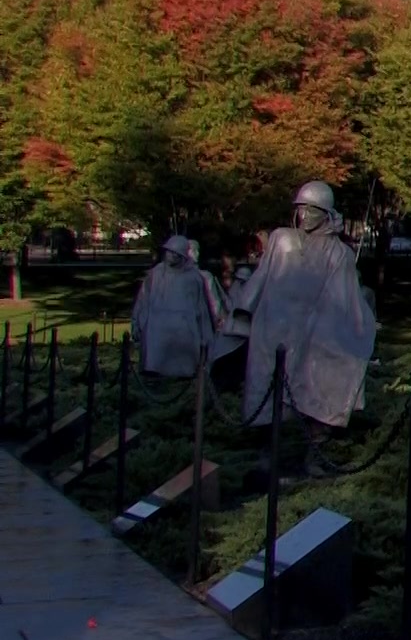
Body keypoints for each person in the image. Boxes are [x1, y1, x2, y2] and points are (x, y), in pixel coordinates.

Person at [227, 181, 377, 477]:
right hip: (273, 329)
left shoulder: (340, 254)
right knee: (267, 393)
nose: (305, 215)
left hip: (314, 333)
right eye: (300, 209)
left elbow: (344, 298)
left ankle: (315, 455)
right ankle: (266, 455)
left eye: (313, 209)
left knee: (320, 389)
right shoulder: (281, 240)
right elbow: (263, 276)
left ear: (327, 212)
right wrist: (244, 311)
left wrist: (358, 327)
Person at [130, 234, 222, 378]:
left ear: (183, 256)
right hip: (157, 335)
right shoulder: (156, 274)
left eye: (175, 253)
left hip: (184, 338)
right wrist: (137, 323)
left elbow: (202, 309)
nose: (170, 256)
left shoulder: (193, 278)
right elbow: (143, 300)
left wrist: (206, 336)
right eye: (169, 252)